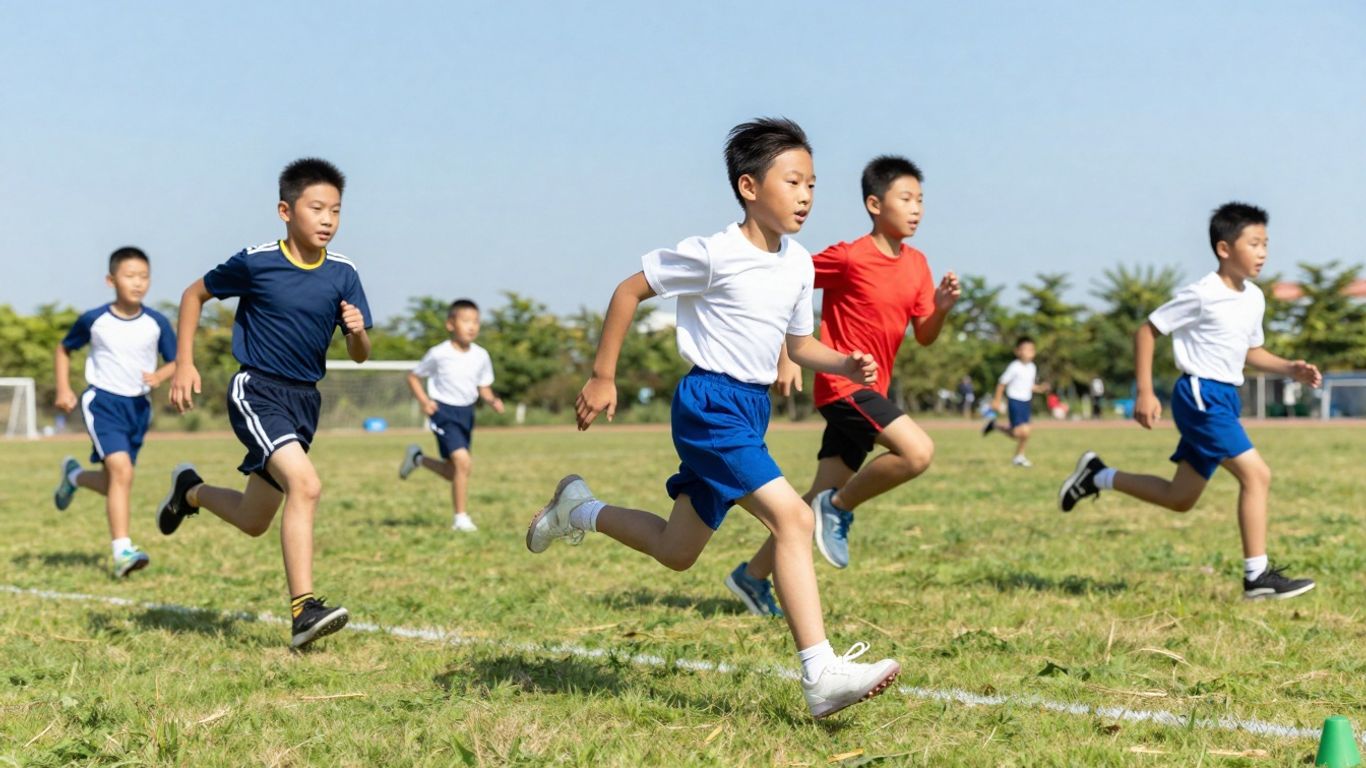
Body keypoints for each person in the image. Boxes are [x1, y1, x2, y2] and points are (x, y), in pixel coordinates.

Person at [524, 118, 900, 719]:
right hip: (710, 407)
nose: (807, 195)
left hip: (749, 412)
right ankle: (820, 672)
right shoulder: (713, 253)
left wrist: (844, 365)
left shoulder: (799, 264)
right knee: (794, 519)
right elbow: (628, 291)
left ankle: (578, 510)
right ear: (749, 187)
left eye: (812, 183)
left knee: (677, 550)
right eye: (793, 181)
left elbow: (799, 343)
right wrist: (602, 375)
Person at [724, 155, 960, 618]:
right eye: (905, 198)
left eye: (921, 200)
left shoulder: (917, 265)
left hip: (876, 391)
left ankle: (750, 578)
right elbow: (787, 281)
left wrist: (943, 306)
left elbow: (926, 336)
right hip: (842, 386)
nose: (917, 209)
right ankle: (841, 506)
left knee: (805, 506)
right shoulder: (849, 257)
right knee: (917, 452)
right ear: (874, 204)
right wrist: (785, 353)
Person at [160, 158, 373, 647]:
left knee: (254, 520)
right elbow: (194, 295)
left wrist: (358, 333)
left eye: (336, 211)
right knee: (307, 484)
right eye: (316, 208)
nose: (327, 220)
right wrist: (185, 362)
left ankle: (189, 491)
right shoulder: (257, 261)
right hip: (256, 390)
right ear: (285, 210)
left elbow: (360, 356)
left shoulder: (344, 273)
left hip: (304, 402)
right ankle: (303, 611)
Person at [1058, 202, 1319, 600]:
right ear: (1224, 249)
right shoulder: (1202, 294)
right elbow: (1147, 331)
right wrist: (1145, 391)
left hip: (1224, 398)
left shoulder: (1254, 298)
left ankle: (1097, 475)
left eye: (1266, 243)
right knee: (1257, 475)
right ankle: (1256, 576)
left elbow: (1251, 351)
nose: (1263, 252)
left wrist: (1289, 368)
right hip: (1200, 395)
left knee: (1180, 498)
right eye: (1254, 243)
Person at [52, 247, 176, 578]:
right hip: (102, 402)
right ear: (111, 280)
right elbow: (64, 348)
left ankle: (74, 476)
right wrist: (64, 389)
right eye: (130, 276)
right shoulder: (95, 320)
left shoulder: (156, 322)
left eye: (144, 276)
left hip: (138, 407)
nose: (138, 283)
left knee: (115, 482)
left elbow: (177, 360)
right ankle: (122, 551)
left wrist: (160, 376)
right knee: (122, 473)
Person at [397, 299, 505, 531]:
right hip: (443, 411)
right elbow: (413, 376)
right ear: (450, 324)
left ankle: (417, 459)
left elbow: (483, 387)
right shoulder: (438, 353)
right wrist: (425, 402)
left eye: (476, 321)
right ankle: (461, 519)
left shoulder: (481, 355)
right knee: (463, 462)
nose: (472, 326)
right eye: (466, 321)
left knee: (453, 471)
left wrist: (492, 400)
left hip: (467, 413)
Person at [982, 338, 1049, 467]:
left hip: (1026, 402)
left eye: (1032, 349)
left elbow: (1029, 386)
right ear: (1018, 351)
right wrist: (996, 401)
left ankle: (1019, 456)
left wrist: (1040, 388)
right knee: (1021, 432)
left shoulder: (1032, 367)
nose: (1029, 352)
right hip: (1015, 401)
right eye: (1026, 349)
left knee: (1024, 432)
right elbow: (1002, 384)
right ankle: (1017, 454)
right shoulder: (1014, 367)